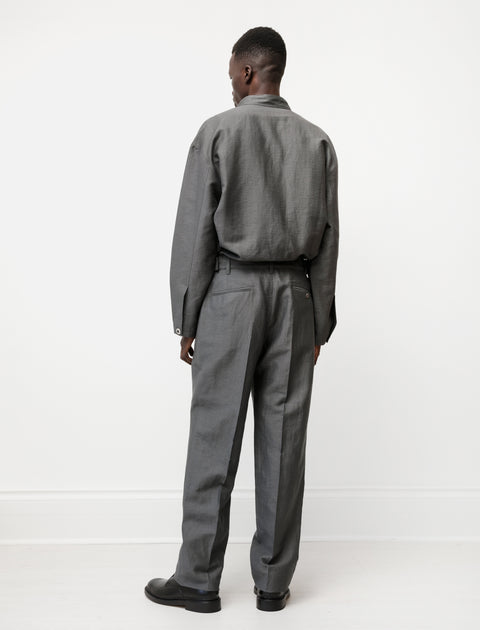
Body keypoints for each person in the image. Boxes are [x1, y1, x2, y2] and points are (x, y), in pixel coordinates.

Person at [144, 25, 339, 613]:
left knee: (215, 432)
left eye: (232, 70)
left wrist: (188, 316)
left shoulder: (218, 131)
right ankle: (273, 584)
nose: (230, 80)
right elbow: (328, 238)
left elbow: (195, 230)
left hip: (232, 292)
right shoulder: (317, 141)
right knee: (284, 439)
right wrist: (319, 324)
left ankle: (198, 580)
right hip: (296, 297)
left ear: (249, 70)